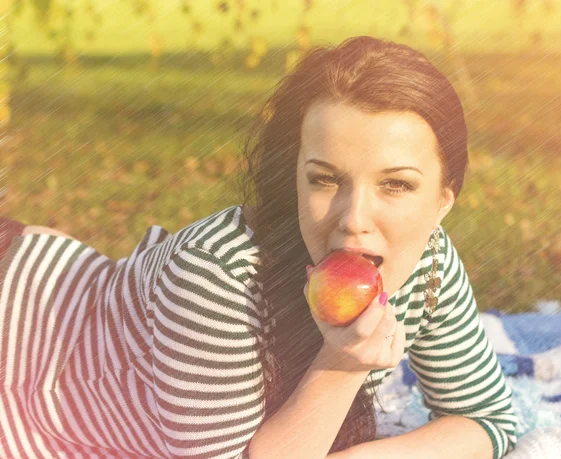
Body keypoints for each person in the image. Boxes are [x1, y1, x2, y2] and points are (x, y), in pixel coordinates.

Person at [0, 36, 518, 459]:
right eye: (325, 179)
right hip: (19, 329)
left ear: (444, 198)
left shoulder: (428, 265)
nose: (354, 221)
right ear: (292, 176)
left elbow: (491, 420)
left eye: (397, 185)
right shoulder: (220, 276)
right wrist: (342, 366)